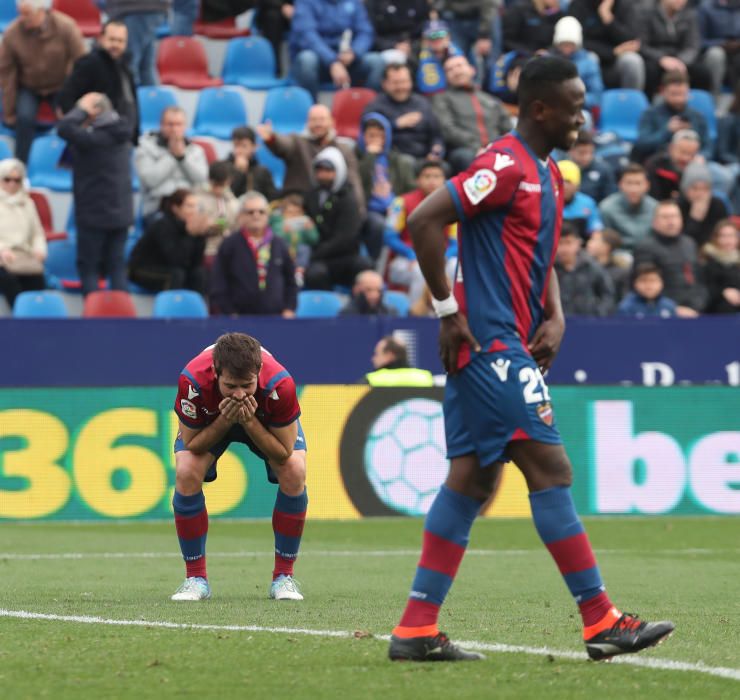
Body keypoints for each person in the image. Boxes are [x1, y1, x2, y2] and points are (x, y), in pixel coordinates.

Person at [387, 55, 674, 663]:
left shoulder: (550, 174)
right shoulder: (502, 164)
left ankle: (416, 628)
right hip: (490, 345)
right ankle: (601, 620)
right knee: (550, 468)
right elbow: (424, 219)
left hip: (503, 344)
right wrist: (445, 310)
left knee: (472, 481)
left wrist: (557, 312)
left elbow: (538, 254)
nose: (583, 116)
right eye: (574, 106)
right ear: (541, 108)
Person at [171, 332, 308, 601]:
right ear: (216, 373)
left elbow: (283, 452)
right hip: (214, 422)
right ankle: (195, 579)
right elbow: (193, 444)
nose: (239, 393)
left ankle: (284, 577)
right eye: (230, 386)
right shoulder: (193, 381)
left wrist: (248, 421)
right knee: (186, 470)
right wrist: (226, 419)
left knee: (294, 470)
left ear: (258, 372)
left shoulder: (280, 384)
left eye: (247, 385)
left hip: (261, 423)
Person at [57, 92, 134, 297]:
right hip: (121, 213)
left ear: (95, 111)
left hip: (93, 214)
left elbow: (64, 128)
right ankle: (123, 320)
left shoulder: (92, 138)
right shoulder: (120, 132)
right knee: (117, 267)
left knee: (89, 267)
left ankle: (92, 319)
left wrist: (81, 109)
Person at [0, 0, 87, 163]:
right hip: (29, 86)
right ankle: (21, 166)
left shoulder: (66, 26)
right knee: (23, 119)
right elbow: (7, 75)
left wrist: (73, 95)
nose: (22, 18)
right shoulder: (12, 33)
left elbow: (81, 62)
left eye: (27, 14)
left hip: (61, 85)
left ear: (42, 11)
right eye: (20, 13)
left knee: (71, 119)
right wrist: (9, 111)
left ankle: (75, 163)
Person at [256, 105, 365, 214]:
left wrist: (359, 207)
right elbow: (283, 145)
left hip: (333, 203)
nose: (318, 123)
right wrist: (272, 138)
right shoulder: (297, 142)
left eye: (322, 119)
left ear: (332, 121)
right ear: (307, 123)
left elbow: (353, 180)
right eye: (313, 120)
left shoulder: (344, 149)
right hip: (298, 202)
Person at [210, 192, 298, 317]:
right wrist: (230, 312)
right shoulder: (229, 244)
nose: (256, 215)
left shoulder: (280, 244)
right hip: (239, 321)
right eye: (250, 212)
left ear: (267, 215)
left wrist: (289, 309)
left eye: (261, 211)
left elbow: (291, 281)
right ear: (240, 216)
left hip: (277, 320)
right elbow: (218, 282)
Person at [385, 160, 458, 305]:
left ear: (444, 180)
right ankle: (417, 317)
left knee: (455, 267)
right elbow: (389, 237)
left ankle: (453, 315)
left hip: (442, 257)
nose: (432, 181)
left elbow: (455, 242)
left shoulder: (453, 204)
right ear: (418, 179)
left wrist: (444, 257)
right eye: (427, 176)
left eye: (437, 176)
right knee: (421, 271)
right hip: (405, 259)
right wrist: (411, 254)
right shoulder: (401, 202)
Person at [57, 20, 139, 143]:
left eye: (120, 41)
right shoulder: (89, 63)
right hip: (96, 140)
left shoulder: (126, 68)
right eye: (112, 39)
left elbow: (132, 104)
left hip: (121, 139)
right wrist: (82, 126)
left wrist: (135, 137)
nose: (116, 44)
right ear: (101, 39)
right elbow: (66, 97)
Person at [303, 147, 371, 290]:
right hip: (321, 259)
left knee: (365, 268)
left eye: (328, 171)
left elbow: (346, 238)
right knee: (315, 274)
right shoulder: (311, 195)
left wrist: (317, 253)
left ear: (338, 172)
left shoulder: (348, 199)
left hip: (345, 256)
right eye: (319, 170)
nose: (323, 175)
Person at [432, 54, 512, 174]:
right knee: (465, 157)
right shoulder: (442, 98)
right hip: (465, 150)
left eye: (459, 66)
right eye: (450, 69)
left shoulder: (490, 99)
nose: (456, 71)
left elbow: (508, 128)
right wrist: (477, 147)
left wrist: (497, 148)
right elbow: (448, 129)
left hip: (497, 149)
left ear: (472, 70)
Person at [288, 0, 384, 99]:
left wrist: (354, 52)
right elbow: (307, 36)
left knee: (376, 61)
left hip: (348, 60)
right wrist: (332, 61)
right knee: (307, 59)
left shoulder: (354, 2)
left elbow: (365, 32)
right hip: (319, 61)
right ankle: (312, 109)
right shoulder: (305, 2)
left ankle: (369, 109)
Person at [633, 199, 708, 317]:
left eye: (674, 216)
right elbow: (647, 284)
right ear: (654, 222)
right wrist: (673, 308)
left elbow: (700, 280)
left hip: (696, 310)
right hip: (664, 312)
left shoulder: (690, 243)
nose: (671, 221)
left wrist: (699, 305)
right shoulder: (646, 248)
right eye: (665, 217)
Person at [356, 112, 416, 261]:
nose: (377, 140)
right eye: (371, 136)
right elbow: (358, 182)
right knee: (378, 225)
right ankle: (373, 266)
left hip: (395, 208)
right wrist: (369, 156)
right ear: (363, 136)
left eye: (381, 136)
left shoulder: (397, 160)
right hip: (369, 209)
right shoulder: (355, 157)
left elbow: (410, 189)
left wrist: (399, 205)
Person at [363, 63, 445, 168]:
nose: (401, 87)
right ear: (384, 84)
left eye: (404, 82)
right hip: (394, 159)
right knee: (407, 162)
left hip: (425, 158)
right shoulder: (375, 106)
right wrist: (395, 124)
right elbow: (368, 133)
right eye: (396, 83)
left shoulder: (422, 103)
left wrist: (436, 150)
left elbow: (436, 135)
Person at [128, 189, 209, 294]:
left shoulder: (190, 226)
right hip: (143, 269)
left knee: (199, 273)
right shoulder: (163, 225)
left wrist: (201, 235)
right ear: (175, 208)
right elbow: (175, 259)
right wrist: (190, 235)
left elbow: (196, 262)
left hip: (170, 267)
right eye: (189, 206)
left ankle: (196, 308)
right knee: (177, 274)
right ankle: (172, 307)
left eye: (196, 206)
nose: (194, 210)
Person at [135, 106, 209, 221]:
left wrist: (182, 158)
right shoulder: (146, 147)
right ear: (161, 125)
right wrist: (172, 156)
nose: (174, 129)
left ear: (185, 126)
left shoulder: (196, 150)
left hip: (190, 208)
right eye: (170, 124)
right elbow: (150, 180)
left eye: (178, 124)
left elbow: (201, 180)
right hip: (158, 208)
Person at [632, 71, 711, 164]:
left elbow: (708, 146)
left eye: (682, 94)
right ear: (663, 91)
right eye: (674, 94)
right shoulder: (650, 114)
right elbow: (642, 145)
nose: (678, 99)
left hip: (693, 163)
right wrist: (667, 131)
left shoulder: (697, 116)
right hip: (660, 162)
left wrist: (702, 156)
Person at [639, 0, 712, 97]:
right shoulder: (645, 12)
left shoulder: (689, 14)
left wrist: (680, 61)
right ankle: (648, 106)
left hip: (681, 58)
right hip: (656, 58)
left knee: (702, 72)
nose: (681, 1)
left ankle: (696, 107)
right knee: (649, 71)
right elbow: (641, 45)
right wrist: (661, 58)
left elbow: (692, 45)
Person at [567, 0, 645, 90]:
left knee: (632, 61)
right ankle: (591, 101)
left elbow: (632, 41)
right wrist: (613, 52)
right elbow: (578, 42)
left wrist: (607, 18)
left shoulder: (625, 5)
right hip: (591, 58)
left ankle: (630, 101)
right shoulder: (578, 5)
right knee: (591, 58)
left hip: (615, 63)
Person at [0, 158, 46, 307]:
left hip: (25, 257)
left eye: (17, 180)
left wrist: (39, 249)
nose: (12, 184)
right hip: (3, 259)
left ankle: (35, 321)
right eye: (7, 179)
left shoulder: (28, 203)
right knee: (9, 280)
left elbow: (37, 233)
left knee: (37, 280)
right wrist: (3, 250)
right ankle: (20, 318)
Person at [104, 0, 170, 87]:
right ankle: (153, 98)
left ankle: (130, 99)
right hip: (150, 9)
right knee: (145, 66)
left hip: (134, 8)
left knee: (129, 65)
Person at [555, 222, 615, 315]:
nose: (564, 248)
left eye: (568, 242)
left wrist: (598, 315)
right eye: (560, 243)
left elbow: (607, 295)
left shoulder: (592, 266)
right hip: (558, 325)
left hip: (588, 324)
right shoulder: (549, 270)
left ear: (578, 243)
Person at [599, 162, 657, 251]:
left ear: (647, 186)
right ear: (620, 185)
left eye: (638, 183)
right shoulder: (607, 208)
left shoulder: (656, 208)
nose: (633, 189)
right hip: (618, 256)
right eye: (629, 183)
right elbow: (606, 243)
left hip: (649, 254)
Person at [550, 16, 603, 111]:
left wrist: (574, 99)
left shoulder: (589, 62)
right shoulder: (548, 61)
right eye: (563, 44)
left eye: (570, 44)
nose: (567, 49)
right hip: (553, 109)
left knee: (584, 120)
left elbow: (597, 96)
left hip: (579, 110)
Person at [678, 160, 730, 248]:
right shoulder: (678, 206)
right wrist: (694, 219)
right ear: (685, 190)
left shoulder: (718, 204)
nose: (700, 194)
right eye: (695, 188)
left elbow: (724, 233)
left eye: (705, 189)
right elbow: (680, 242)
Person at [269, 192, 319, 283]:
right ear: (283, 213)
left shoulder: (305, 222)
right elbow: (273, 236)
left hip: (299, 253)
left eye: (297, 213)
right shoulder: (278, 222)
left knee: (305, 249)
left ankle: (299, 272)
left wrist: (310, 230)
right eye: (290, 213)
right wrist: (283, 231)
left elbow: (314, 240)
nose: (293, 216)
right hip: (284, 251)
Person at [198, 160, 241, 262]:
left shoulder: (233, 202)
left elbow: (238, 227)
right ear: (209, 180)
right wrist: (207, 225)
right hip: (207, 249)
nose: (218, 190)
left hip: (230, 249)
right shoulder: (198, 199)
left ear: (229, 181)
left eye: (222, 185)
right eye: (215, 185)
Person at [645, 128, 701, 202]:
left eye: (691, 154)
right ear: (671, 148)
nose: (686, 158)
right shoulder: (655, 165)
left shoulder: (699, 171)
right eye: (683, 152)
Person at [698, 0, 740, 96]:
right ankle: (714, 98)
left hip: (737, 51)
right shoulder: (706, 7)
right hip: (712, 50)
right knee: (716, 54)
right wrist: (722, 44)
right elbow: (699, 41)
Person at [227, 126, 278, 201]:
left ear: (254, 147)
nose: (239, 150)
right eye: (236, 145)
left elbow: (272, 198)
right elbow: (227, 195)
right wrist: (239, 172)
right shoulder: (225, 168)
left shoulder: (262, 171)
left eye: (244, 146)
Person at [701, 218, 740, 314]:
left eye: (731, 236)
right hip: (718, 310)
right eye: (723, 236)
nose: (728, 240)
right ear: (716, 238)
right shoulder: (709, 261)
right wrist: (723, 292)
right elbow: (705, 290)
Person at [567, 130, 616, 204]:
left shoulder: (604, 169)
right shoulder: (561, 168)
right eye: (582, 152)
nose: (587, 157)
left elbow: (610, 200)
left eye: (590, 152)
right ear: (570, 151)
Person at [559, 160, 604, 240]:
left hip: (582, 248)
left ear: (577, 185)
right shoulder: (546, 203)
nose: (564, 186)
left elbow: (596, 231)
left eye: (568, 181)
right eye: (560, 181)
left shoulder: (587, 203)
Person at [416, 19, 463, 95]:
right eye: (431, 36)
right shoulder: (417, 55)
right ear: (425, 40)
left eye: (440, 34)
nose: (436, 39)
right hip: (430, 98)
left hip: (457, 95)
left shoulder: (458, 55)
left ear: (448, 36)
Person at [365, 335, 434, 386]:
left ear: (389, 355)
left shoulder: (371, 380)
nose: (373, 359)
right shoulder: (426, 378)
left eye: (376, 354)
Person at [585, 228, 630, 301]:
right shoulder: (584, 269)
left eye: (594, 240)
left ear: (606, 246)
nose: (589, 243)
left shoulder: (621, 273)